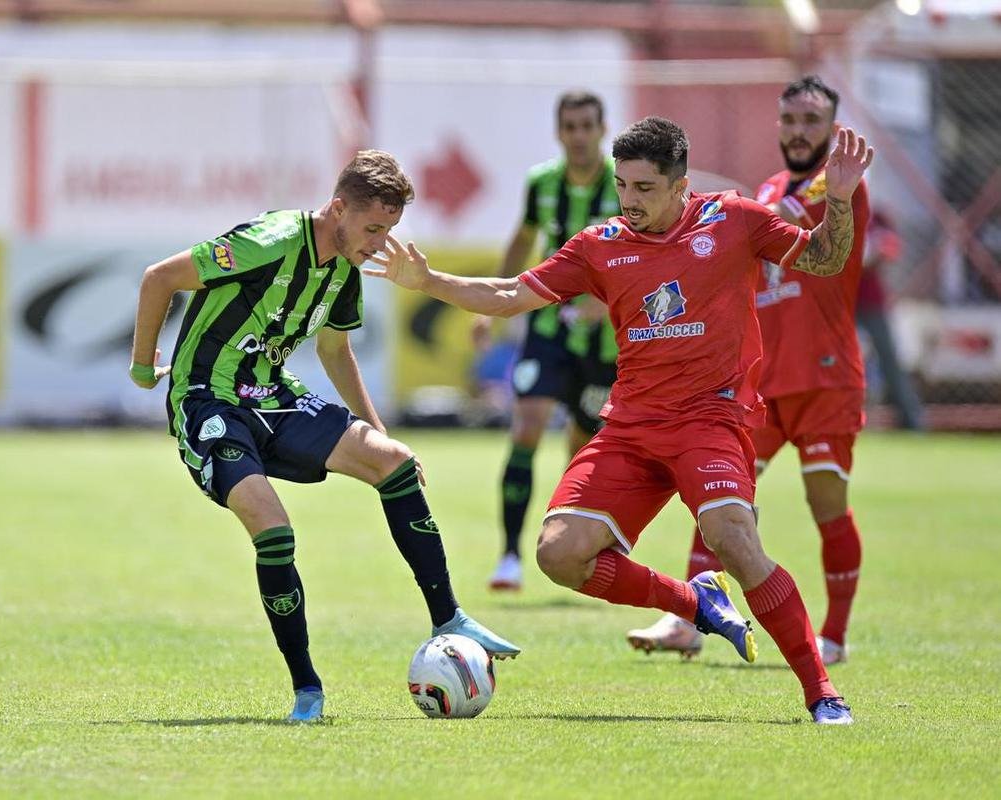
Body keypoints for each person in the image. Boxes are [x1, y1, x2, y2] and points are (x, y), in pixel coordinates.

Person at [366, 116, 871, 724]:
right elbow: (509, 295)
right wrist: (427, 281)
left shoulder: (734, 219)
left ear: (681, 185)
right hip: (631, 428)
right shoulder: (600, 244)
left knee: (733, 540)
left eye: (644, 188)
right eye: (622, 185)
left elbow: (825, 257)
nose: (629, 200)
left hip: (709, 419)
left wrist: (839, 199)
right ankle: (695, 603)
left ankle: (822, 693)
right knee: (558, 554)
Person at [128, 149, 519, 723]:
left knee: (395, 462)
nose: (380, 244)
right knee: (273, 528)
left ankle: (449, 618)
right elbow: (159, 277)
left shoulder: (345, 269)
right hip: (208, 399)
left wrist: (378, 435)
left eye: (389, 231)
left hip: (272, 395)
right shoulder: (269, 241)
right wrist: (143, 366)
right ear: (338, 208)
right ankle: (306, 689)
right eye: (372, 229)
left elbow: (335, 351)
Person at [627, 76, 872, 666]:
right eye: (790, 119)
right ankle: (688, 620)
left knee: (826, 505)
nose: (798, 131)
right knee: (716, 492)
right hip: (763, 381)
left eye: (811, 121)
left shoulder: (839, 185)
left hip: (824, 377)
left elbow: (790, 228)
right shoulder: (769, 187)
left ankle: (835, 636)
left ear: (833, 128)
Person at [477, 90, 620, 592]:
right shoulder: (542, 183)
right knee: (527, 426)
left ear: (602, 130)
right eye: (570, 127)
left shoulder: (625, 185)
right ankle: (509, 556)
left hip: (605, 343)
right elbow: (523, 238)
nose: (578, 136)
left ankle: (565, 544)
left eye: (587, 126)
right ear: (559, 132)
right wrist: (491, 305)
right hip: (548, 330)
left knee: (581, 445)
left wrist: (608, 301)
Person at [858, 210, 926, 430]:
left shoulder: (876, 217)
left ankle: (911, 421)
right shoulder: (825, 209)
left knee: (889, 359)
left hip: (870, 301)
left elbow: (892, 249)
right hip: (838, 301)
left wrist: (873, 252)